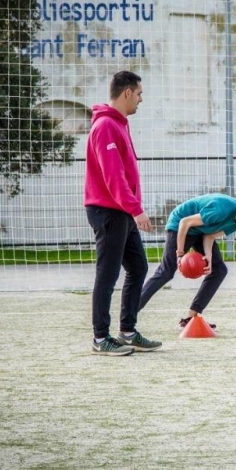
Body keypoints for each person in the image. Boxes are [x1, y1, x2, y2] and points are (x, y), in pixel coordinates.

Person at [84, 71, 162, 356]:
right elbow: (112, 176)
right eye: (139, 94)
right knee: (107, 274)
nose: (141, 99)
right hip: (109, 211)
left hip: (121, 212)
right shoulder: (105, 126)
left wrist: (131, 210)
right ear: (127, 92)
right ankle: (100, 338)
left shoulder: (120, 124)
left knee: (138, 267)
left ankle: (127, 331)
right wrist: (136, 210)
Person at [139, 194, 236, 328]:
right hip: (181, 226)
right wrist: (180, 253)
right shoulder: (221, 210)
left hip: (201, 231)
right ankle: (132, 311)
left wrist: (209, 258)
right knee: (166, 271)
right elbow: (185, 222)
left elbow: (210, 236)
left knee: (219, 271)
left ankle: (190, 318)